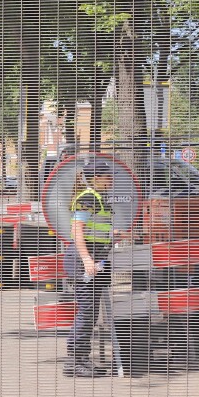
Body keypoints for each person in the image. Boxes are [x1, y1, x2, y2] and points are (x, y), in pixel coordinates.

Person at [64, 159, 117, 378]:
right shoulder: (87, 198)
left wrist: (112, 237)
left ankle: (82, 359)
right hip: (84, 261)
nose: (111, 180)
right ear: (96, 178)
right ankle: (74, 362)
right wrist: (86, 260)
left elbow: (95, 230)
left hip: (96, 258)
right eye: (108, 176)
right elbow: (78, 231)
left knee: (91, 312)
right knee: (86, 312)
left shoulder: (99, 197)